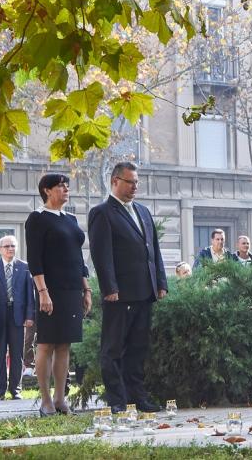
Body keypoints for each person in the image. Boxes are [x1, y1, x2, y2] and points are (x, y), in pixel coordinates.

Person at [88, 162, 168, 414]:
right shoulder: (103, 212)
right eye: (130, 182)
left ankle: (138, 398)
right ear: (115, 181)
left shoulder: (143, 211)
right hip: (119, 294)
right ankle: (117, 401)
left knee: (138, 348)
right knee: (112, 350)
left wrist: (161, 283)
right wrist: (109, 287)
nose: (135, 187)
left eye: (137, 182)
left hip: (145, 292)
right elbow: (102, 255)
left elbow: (153, 250)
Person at [24, 174, 91, 416]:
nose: (66, 189)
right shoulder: (37, 219)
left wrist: (87, 289)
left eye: (67, 185)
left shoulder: (71, 219)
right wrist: (43, 291)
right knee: (46, 343)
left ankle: (60, 399)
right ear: (47, 190)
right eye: (60, 186)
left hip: (73, 288)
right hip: (49, 290)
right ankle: (45, 401)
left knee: (65, 344)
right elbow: (35, 259)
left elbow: (78, 258)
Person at [0, 235, 35, 401]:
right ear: (0, 249)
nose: (10, 249)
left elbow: (30, 294)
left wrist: (29, 316)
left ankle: (16, 390)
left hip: (17, 316)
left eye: (13, 246)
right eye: (7, 246)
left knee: (17, 354)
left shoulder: (24, 267)